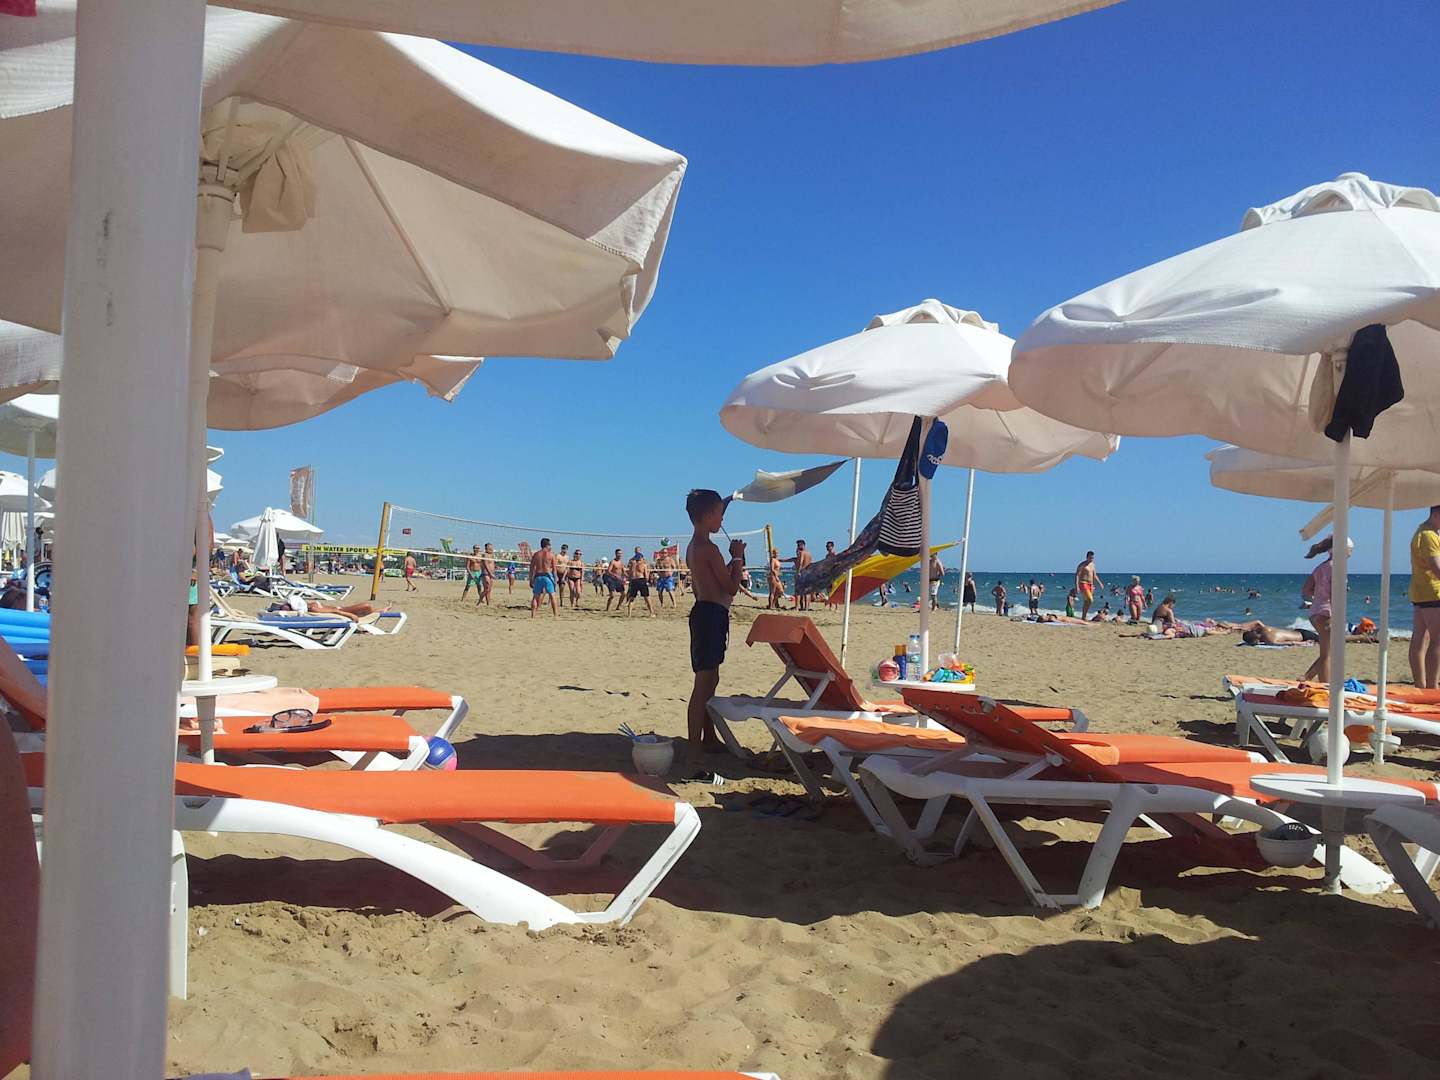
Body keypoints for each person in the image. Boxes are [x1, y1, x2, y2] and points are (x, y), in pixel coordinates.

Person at [683, 489, 746, 770]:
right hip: (710, 615)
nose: (722, 519)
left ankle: (708, 737)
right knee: (704, 684)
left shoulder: (694, 546)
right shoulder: (708, 549)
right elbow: (730, 587)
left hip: (705, 612)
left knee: (711, 679)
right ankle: (694, 748)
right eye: (720, 514)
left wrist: (732, 561)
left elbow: (716, 580)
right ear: (708, 516)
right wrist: (738, 558)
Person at [1300, 535, 1349, 684]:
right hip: (1327, 613)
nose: (1350, 553)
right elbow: (1335, 594)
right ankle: (1325, 685)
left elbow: (1306, 589)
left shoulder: (1320, 567)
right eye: (1350, 550)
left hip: (1316, 612)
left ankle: (1307, 677)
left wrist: (1319, 596)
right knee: (1327, 654)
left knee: (1327, 651)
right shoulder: (1337, 567)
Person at [1410, 505, 1440, 689]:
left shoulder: (1421, 532)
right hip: (1432, 592)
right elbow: (1436, 568)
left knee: (1419, 638)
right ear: (1436, 515)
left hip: (1420, 591)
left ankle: (1421, 685)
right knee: (1437, 639)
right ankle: (1431, 686)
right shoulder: (1429, 535)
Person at [529, 537, 559, 618]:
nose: (551, 546)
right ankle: (555, 615)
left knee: (535, 596)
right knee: (552, 596)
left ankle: (533, 615)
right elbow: (554, 570)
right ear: (547, 545)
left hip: (538, 576)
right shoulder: (551, 555)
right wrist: (555, 580)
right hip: (547, 576)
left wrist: (531, 579)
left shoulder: (536, 554)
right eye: (550, 545)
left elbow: (531, 567)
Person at [626, 546, 655, 617]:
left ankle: (629, 614)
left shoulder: (632, 563)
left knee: (632, 598)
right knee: (647, 597)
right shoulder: (643, 564)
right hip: (641, 580)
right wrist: (647, 580)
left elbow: (629, 573)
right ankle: (651, 613)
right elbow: (646, 575)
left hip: (633, 580)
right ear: (641, 558)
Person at [1074, 550, 1104, 620]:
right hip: (1083, 583)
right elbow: (1077, 575)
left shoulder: (1093, 565)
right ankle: (1084, 616)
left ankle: (1083, 616)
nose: (1091, 559)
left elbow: (1094, 575)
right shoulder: (1082, 565)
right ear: (1087, 557)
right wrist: (1077, 586)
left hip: (1091, 584)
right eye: (1090, 558)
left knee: (1087, 601)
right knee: (1090, 599)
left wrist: (1100, 583)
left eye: (1092, 558)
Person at [785, 540, 813, 611]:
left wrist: (798, 572)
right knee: (807, 592)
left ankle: (797, 607)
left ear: (802, 545)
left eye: (798, 545)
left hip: (802, 573)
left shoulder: (801, 552)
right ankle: (806, 608)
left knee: (798, 591)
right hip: (808, 573)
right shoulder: (809, 553)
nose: (797, 547)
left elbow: (800, 563)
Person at [605, 548, 627, 612]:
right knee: (612, 595)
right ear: (616, 554)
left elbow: (623, 571)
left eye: (621, 553)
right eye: (618, 553)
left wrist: (629, 576)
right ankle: (607, 608)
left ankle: (618, 606)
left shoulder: (621, 562)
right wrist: (615, 575)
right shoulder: (613, 562)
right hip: (612, 579)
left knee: (624, 594)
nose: (620, 555)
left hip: (619, 580)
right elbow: (608, 571)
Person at [479, 542, 496, 607]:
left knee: (489, 590)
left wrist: (496, 567)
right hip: (486, 573)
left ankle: (488, 603)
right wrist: (490, 573)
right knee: (487, 588)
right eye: (489, 548)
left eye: (491, 547)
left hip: (491, 573)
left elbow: (492, 564)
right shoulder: (485, 555)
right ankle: (480, 600)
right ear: (486, 548)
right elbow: (486, 565)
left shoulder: (492, 555)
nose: (491, 549)